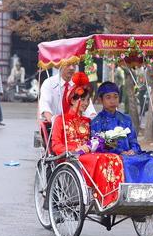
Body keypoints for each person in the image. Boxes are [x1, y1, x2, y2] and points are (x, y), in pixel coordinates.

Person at [51, 73, 125, 208]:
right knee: (99, 159)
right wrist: (74, 150)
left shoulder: (87, 121)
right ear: (72, 100)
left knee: (112, 157)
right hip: (71, 157)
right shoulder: (60, 120)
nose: (86, 104)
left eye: (87, 100)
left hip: (88, 155)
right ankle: (103, 198)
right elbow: (56, 145)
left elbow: (93, 141)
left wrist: (103, 142)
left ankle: (113, 196)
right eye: (83, 100)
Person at [91, 81, 153, 184]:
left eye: (115, 97)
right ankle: (130, 192)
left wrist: (133, 150)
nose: (112, 101)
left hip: (130, 154)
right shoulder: (97, 122)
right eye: (108, 97)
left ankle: (149, 191)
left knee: (150, 160)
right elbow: (100, 144)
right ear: (101, 100)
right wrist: (120, 152)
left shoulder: (126, 119)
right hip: (112, 156)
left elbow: (133, 140)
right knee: (126, 162)